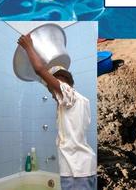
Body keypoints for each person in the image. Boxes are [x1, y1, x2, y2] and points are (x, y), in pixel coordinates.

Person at [18, 34, 97, 190]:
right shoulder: (81, 100)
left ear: (58, 83)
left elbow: (40, 70)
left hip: (75, 171)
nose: (52, 95)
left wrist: (28, 46)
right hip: (86, 167)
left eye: (51, 89)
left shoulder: (66, 92)